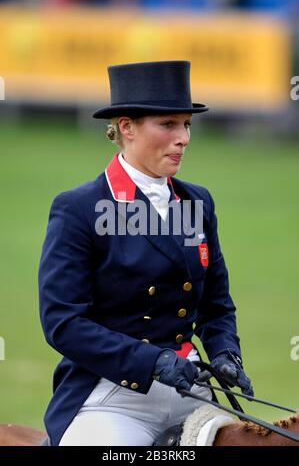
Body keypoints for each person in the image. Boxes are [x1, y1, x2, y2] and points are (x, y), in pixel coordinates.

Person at [38, 60, 253, 446]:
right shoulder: (79, 208)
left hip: (190, 388)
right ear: (126, 127)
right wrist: (151, 361)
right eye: (168, 124)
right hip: (110, 394)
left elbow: (216, 305)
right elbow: (62, 322)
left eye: (186, 124)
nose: (183, 137)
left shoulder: (197, 202)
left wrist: (225, 354)